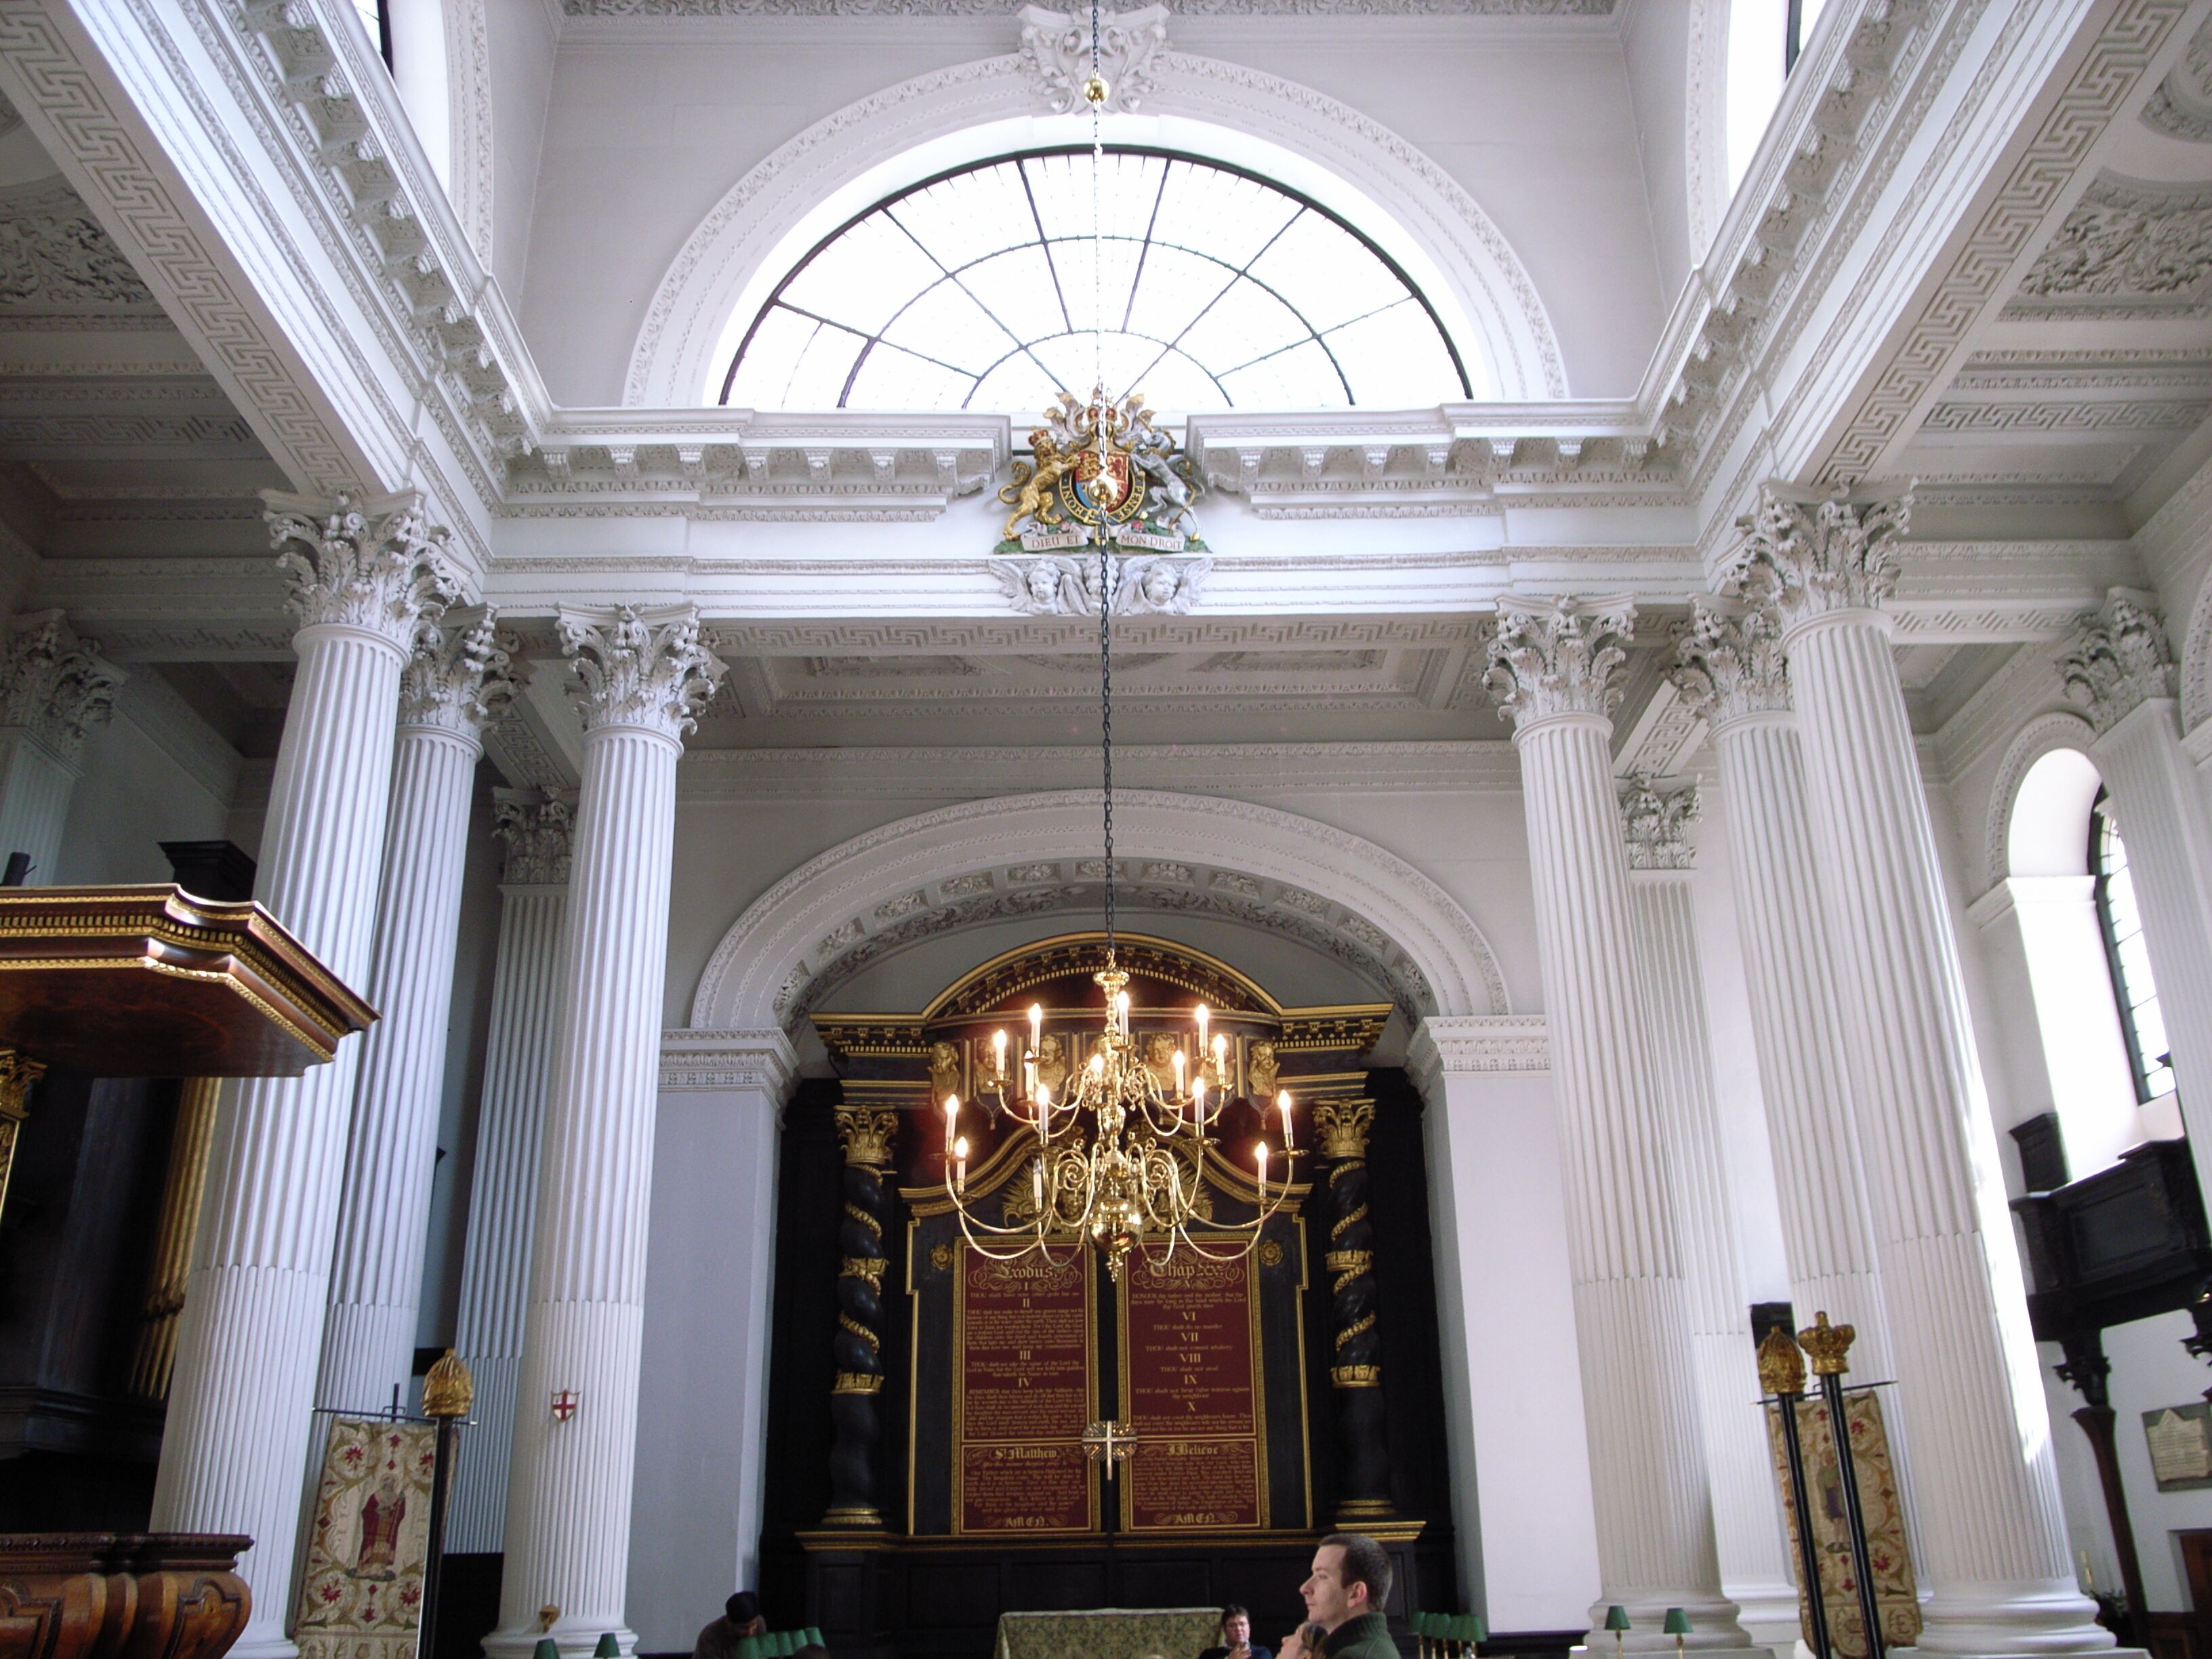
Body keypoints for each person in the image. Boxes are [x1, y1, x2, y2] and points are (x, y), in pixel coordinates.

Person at [1282, 1534, 1395, 1659]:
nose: (1304, 1588)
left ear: (1355, 1594)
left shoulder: (1353, 1657)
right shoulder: (1374, 1647)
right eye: (1313, 1574)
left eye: (1322, 1576)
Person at [692, 1593, 765, 1659]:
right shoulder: (709, 1637)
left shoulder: (759, 1624)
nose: (750, 1632)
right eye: (744, 1628)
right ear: (729, 1623)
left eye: (753, 1625)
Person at [1199, 1605, 1272, 1659]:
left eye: (1242, 1624)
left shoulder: (1262, 1653)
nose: (1238, 1629)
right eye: (1232, 1626)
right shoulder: (1209, 1655)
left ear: (1249, 1627)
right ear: (1225, 1629)